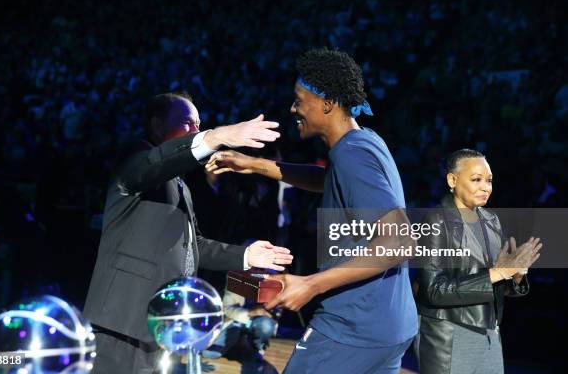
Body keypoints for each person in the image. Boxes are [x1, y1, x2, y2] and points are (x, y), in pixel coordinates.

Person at [206, 49, 417, 373]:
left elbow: (400, 241)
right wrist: (256, 165)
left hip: (353, 325)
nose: (293, 109)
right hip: (390, 324)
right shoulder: (364, 143)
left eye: (299, 100)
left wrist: (311, 284)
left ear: (327, 103)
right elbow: (333, 180)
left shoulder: (350, 156)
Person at [83, 92, 293, 374]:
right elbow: (156, 162)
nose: (196, 130)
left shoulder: (180, 184)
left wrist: (245, 255)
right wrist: (214, 136)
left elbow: (196, 246)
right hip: (122, 321)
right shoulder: (134, 157)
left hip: (159, 324)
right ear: (157, 126)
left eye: (200, 124)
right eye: (188, 123)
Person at [414, 149, 541, 374]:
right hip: (449, 335)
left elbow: (495, 285)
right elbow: (433, 290)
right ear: (452, 180)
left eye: (489, 180)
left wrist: (516, 275)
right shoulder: (435, 220)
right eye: (476, 180)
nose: (486, 187)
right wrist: (498, 272)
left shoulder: (492, 221)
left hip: (490, 332)